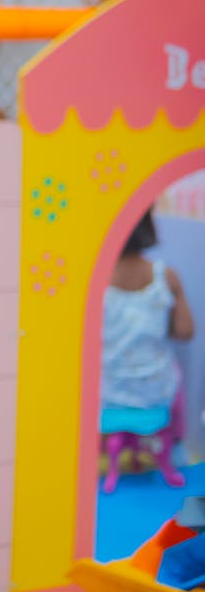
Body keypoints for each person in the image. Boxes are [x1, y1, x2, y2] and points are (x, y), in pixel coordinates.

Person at [100, 209, 196, 492]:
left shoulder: (98, 279)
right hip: (154, 391)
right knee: (173, 373)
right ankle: (176, 444)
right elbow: (185, 332)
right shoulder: (165, 276)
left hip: (110, 391)